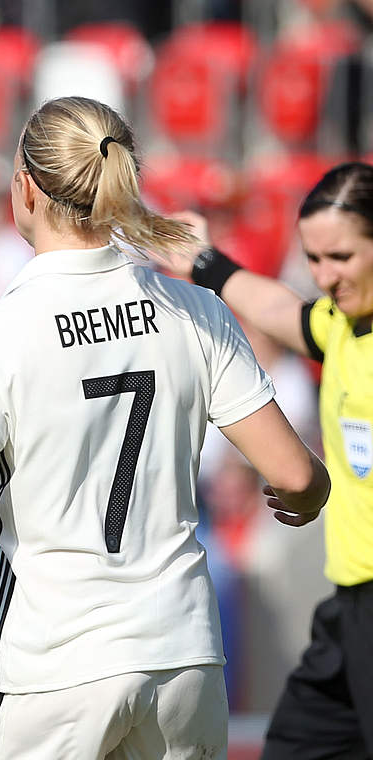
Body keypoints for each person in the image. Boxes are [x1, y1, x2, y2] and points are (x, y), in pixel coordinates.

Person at [0, 96, 331, 760]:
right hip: (182, 653)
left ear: (25, 189)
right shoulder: (196, 310)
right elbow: (295, 475)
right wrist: (305, 499)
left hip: (50, 666)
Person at [174, 163, 373, 759]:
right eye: (313, 259)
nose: (325, 276)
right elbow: (282, 310)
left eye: (340, 257)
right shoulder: (342, 323)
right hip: (349, 608)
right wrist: (206, 263)